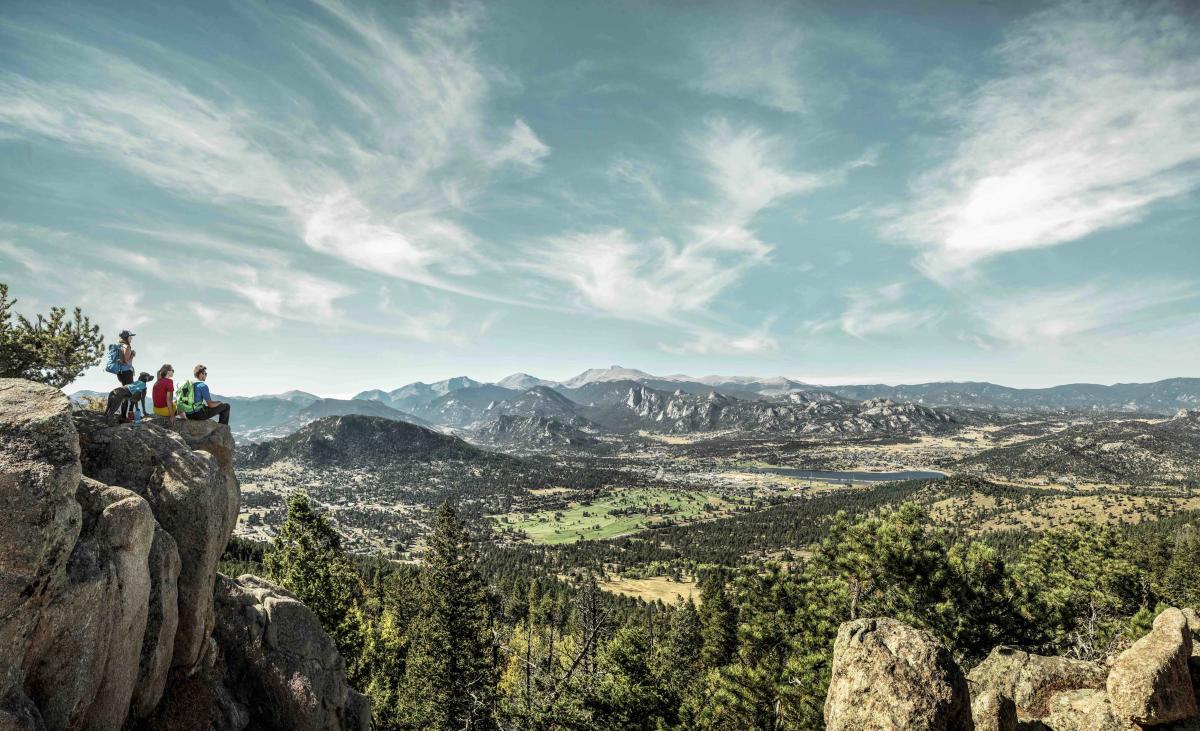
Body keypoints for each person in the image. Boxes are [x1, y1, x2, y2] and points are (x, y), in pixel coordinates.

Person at [115, 329, 137, 420]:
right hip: (127, 373)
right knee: (127, 394)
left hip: (120, 373)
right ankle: (124, 416)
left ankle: (123, 415)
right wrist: (133, 355)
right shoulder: (127, 346)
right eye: (130, 336)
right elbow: (127, 362)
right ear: (127, 337)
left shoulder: (119, 346)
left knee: (125, 393)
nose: (131, 338)